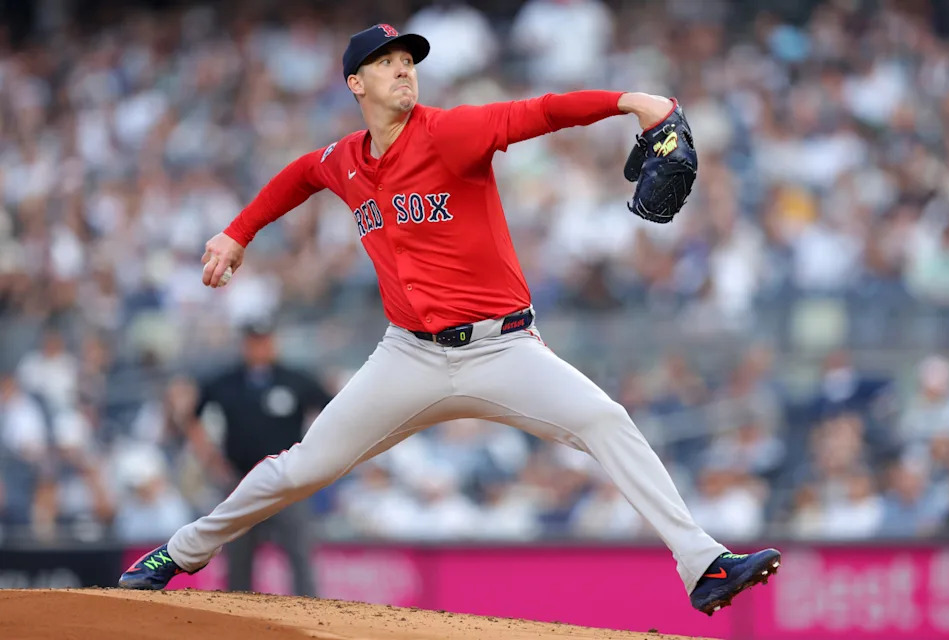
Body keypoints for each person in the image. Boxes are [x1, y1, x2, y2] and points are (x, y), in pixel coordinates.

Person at [119, 23, 781, 615]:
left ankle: (703, 563)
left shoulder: (451, 131)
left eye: (409, 59)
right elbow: (299, 174)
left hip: (504, 350)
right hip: (408, 356)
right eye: (386, 62)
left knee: (606, 420)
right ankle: (177, 554)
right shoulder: (346, 159)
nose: (404, 68)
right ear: (356, 83)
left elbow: (542, 112)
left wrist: (637, 102)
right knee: (300, 470)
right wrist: (238, 232)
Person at [188, 320, 332, 595]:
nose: (259, 347)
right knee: (238, 559)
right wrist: (212, 461)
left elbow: (332, 409)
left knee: (300, 553)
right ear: (245, 344)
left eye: (264, 340)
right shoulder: (225, 382)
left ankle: (310, 620)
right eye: (254, 341)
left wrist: (315, 457)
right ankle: (239, 624)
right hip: (240, 480)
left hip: (289, 483)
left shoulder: (295, 380)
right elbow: (193, 417)